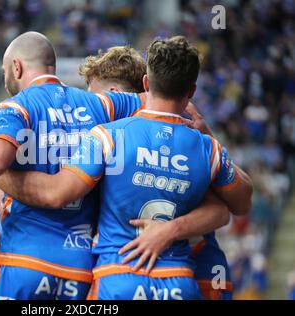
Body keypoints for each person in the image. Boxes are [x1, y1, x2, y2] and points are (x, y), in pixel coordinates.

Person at [0, 32, 228, 300]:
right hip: (81, 271)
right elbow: (165, 98)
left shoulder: (13, 108)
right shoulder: (103, 106)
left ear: (15, 67)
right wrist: (201, 129)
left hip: (25, 262)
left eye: (4, 72)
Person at [0, 36, 253, 300]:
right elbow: (228, 208)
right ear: (191, 90)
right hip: (187, 279)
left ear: (140, 87)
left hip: (123, 277)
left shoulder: (107, 138)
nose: (90, 111)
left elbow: (57, 192)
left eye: (97, 98)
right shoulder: (204, 146)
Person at [79, 45, 236, 300]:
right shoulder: (187, 135)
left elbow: (223, 209)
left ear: (113, 94)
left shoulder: (114, 139)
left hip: (179, 272)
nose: (90, 113)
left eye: (95, 99)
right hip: (179, 278)